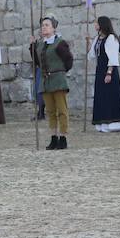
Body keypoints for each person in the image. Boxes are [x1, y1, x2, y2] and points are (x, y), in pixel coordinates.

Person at [29, 15, 74, 150]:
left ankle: (63, 137)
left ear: (54, 28)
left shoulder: (59, 43)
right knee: (50, 111)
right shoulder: (40, 44)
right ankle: (53, 137)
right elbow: (37, 62)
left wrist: (60, 72)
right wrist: (32, 46)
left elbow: (68, 60)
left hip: (58, 80)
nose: (44, 27)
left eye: (47, 25)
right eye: (42, 25)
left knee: (62, 110)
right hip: (45, 81)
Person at [89, 15, 120, 132]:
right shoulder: (97, 39)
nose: (95, 25)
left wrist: (109, 73)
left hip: (108, 70)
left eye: (96, 23)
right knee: (102, 96)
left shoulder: (111, 38)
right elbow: (92, 54)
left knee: (111, 96)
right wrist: (88, 43)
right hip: (100, 70)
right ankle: (103, 123)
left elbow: (112, 57)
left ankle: (115, 123)